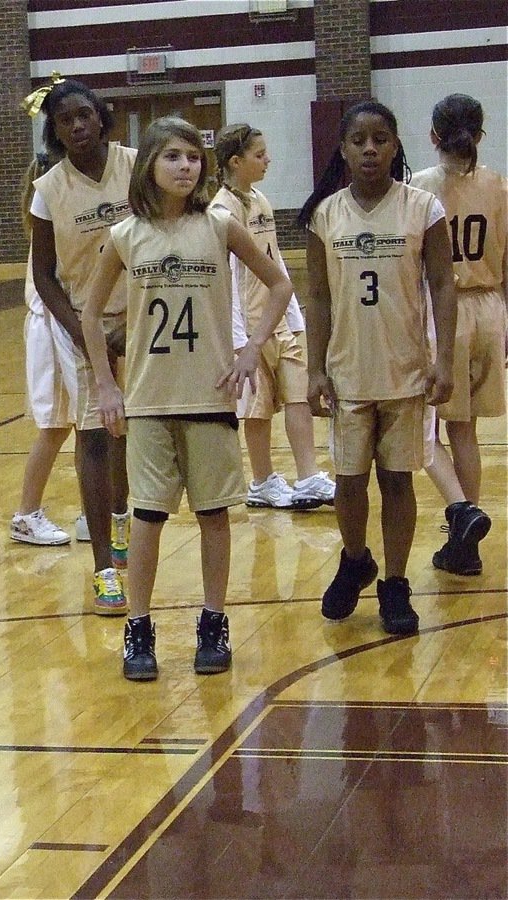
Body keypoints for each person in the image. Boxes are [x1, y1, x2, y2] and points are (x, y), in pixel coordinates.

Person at [81, 116, 294, 680]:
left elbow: (280, 284)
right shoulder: (126, 235)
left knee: (213, 515)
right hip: (149, 399)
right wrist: (106, 383)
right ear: (149, 165)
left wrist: (251, 349)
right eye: (173, 156)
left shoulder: (220, 225)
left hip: (211, 393)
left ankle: (213, 621)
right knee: (148, 518)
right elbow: (90, 311)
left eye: (193, 157)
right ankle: (139, 627)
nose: (185, 166)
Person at [297, 100, 457, 635]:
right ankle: (355, 557)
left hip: (405, 370)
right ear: (342, 149)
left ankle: (394, 582)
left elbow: (442, 285)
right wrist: (315, 370)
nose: (370, 148)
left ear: (395, 146)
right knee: (348, 481)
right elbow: (316, 297)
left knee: (396, 481)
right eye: (359, 140)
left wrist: (445, 360)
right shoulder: (325, 214)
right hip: (346, 374)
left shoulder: (424, 208)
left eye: (381, 139)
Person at [29, 76, 134, 614]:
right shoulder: (48, 190)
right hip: (83, 325)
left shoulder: (138, 166)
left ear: (101, 117)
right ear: (56, 130)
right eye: (65, 119)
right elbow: (43, 275)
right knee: (94, 433)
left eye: (84, 116)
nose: (76, 126)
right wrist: (82, 330)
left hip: (143, 321)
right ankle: (102, 570)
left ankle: (123, 521)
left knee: (132, 433)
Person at [211, 124, 336, 510]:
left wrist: (294, 315)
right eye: (260, 154)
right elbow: (227, 279)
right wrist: (237, 338)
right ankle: (262, 481)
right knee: (258, 408)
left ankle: (309, 474)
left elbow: (275, 261)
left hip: (277, 319)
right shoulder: (220, 211)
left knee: (299, 394)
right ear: (236, 161)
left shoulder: (261, 200)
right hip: (247, 327)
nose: (268, 160)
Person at [413, 94, 505, 576]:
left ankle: (462, 514)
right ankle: (466, 531)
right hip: (491, 308)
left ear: (433, 135)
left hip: (443, 312)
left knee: (424, 429)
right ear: (481, 136)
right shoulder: (497, 185)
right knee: (465, 429)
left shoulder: (421, 188)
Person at [10, 150, 79, 546]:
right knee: (54, 427)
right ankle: (25, 513)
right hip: (50, 329)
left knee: (89, 427)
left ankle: (93, 513)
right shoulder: (49, 221)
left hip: (64, 325)